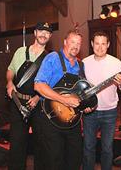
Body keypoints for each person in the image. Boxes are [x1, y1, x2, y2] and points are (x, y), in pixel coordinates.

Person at [34, 29, 84, 170]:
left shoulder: (81, 65)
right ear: (65, 42)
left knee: (75, 159)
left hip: (73, 120)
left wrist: (87, 104)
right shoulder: (52, 58)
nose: (75, 46)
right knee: (54, 161)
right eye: (72, 42)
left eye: (79, 43)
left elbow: (81, 92)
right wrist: (64, 100)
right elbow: (38, 85)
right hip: (51, 119)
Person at [6, 22, 52, 170]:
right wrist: (9, 82)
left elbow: (51, 83)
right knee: (17, 144)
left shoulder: (50, 58)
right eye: (41, 31)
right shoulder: (20, 51)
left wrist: (39, 97)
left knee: (41, 144)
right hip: (17, 102)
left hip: (39, 105)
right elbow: (11, 70)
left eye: (47, 32)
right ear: (35, 33)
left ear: (50, 36)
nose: (44, 34)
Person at [82, 31, 121, 170]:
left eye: (103, 43)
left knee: (107, 148)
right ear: (92, 44)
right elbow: (80, 89)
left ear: (108, 45)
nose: (100, 47)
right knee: (88, 147)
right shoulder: (84, 63)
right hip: (90, 112)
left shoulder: (116, 63)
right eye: (97, 43)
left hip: (109, 112)